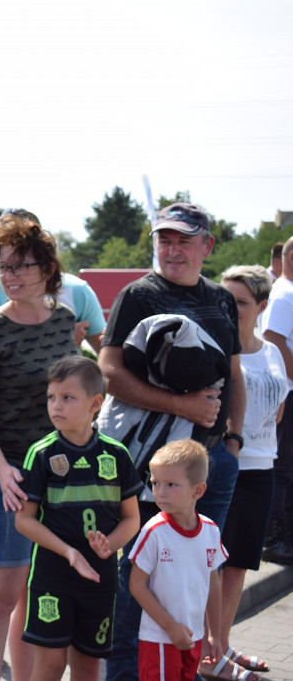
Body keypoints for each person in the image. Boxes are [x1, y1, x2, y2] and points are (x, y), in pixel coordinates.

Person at [100, 202, 245, 681]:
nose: (173, 249)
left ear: (208, 245)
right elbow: (109, 373)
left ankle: (192, 664)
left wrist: (233, 441)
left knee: (199, 572)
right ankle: (125, 673)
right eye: (165, 239)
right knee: (139, 579)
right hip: (156, 473)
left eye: (184, 240)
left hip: (213, 463)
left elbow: (234, 372)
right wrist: (183, 407)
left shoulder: (222, 299)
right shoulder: (138, 296)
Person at [0, 208, 78, 681]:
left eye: (20, 265)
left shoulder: (64, 320)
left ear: (47, 269)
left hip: (52, 479)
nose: (9, 276)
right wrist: (4, 471)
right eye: (3, 265)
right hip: (2, 480)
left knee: (34, 596)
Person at [15, 355, 142, 681]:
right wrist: (68, 551)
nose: (56, 406)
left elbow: (132, 519)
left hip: (99, 578)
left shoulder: (117, 455)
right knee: (51, 664)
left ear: (95, 403)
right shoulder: (41, 454)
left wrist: (109, 545)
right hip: (52, 576)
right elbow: (24, 520)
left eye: (68, 398)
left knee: (88, 665)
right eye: (51, 397)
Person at [211, 265, 288, 678]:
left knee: (240, 563)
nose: (230, 308)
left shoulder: (272, 350)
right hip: (225, 468)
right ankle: (208, 655)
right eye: (225, 299)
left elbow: (278, 409)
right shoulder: (214, 348)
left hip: (262, 467)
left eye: (240, 301)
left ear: (261, 305)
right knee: (213, 565)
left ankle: (221, 646)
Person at [129, 440, 227, 681]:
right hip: (159, 640)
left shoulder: (211, 531)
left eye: (171, 484)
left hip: (194, 638)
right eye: (155, 482)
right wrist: (170, 626)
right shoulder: (154, 531)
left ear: (198, 490)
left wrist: (214, 634)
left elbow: (213, 584)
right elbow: (136, 585)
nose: (160, 491)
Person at [261, 236, 293, 564]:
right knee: (283, 465)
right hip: (288, 391)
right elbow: (273, 339)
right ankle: (274, 537)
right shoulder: (284, 293)